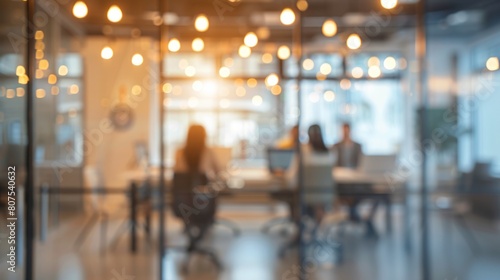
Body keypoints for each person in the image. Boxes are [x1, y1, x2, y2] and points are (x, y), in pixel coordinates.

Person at [287, 124, 335, 226]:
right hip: (324, 196)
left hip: (306, 196)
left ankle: (300, 228)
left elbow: (291, 177)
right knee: (318, 201)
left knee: (292, 196)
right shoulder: (330, 155)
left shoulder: (303, 152)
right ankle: (316, 229)